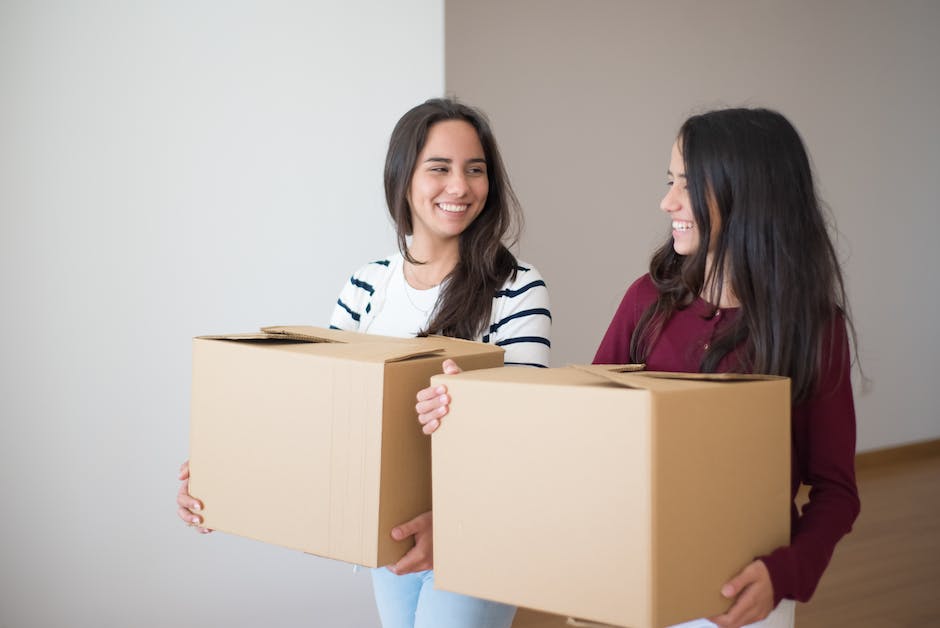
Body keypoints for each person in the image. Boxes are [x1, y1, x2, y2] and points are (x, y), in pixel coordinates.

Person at [419, 108, 859, 628]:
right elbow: (581, 422)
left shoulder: (811, 326)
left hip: (738, 593)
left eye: (688, 185)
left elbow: (836, 491)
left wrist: (783, 574)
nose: (667, 201)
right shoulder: (647, 300)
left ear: (748, 193)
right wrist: (474, 407)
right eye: (669, 181)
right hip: (626, 571)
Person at [177, 97, 551, 628]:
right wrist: (222, 470)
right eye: (439, 169)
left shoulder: (516, 286)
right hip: (389, 533)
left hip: (477, 533)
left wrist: (469, 404)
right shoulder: (368, 284)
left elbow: (530, 424)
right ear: (403, 178)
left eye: (475, 170)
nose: (460, 187)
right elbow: (319, 410)